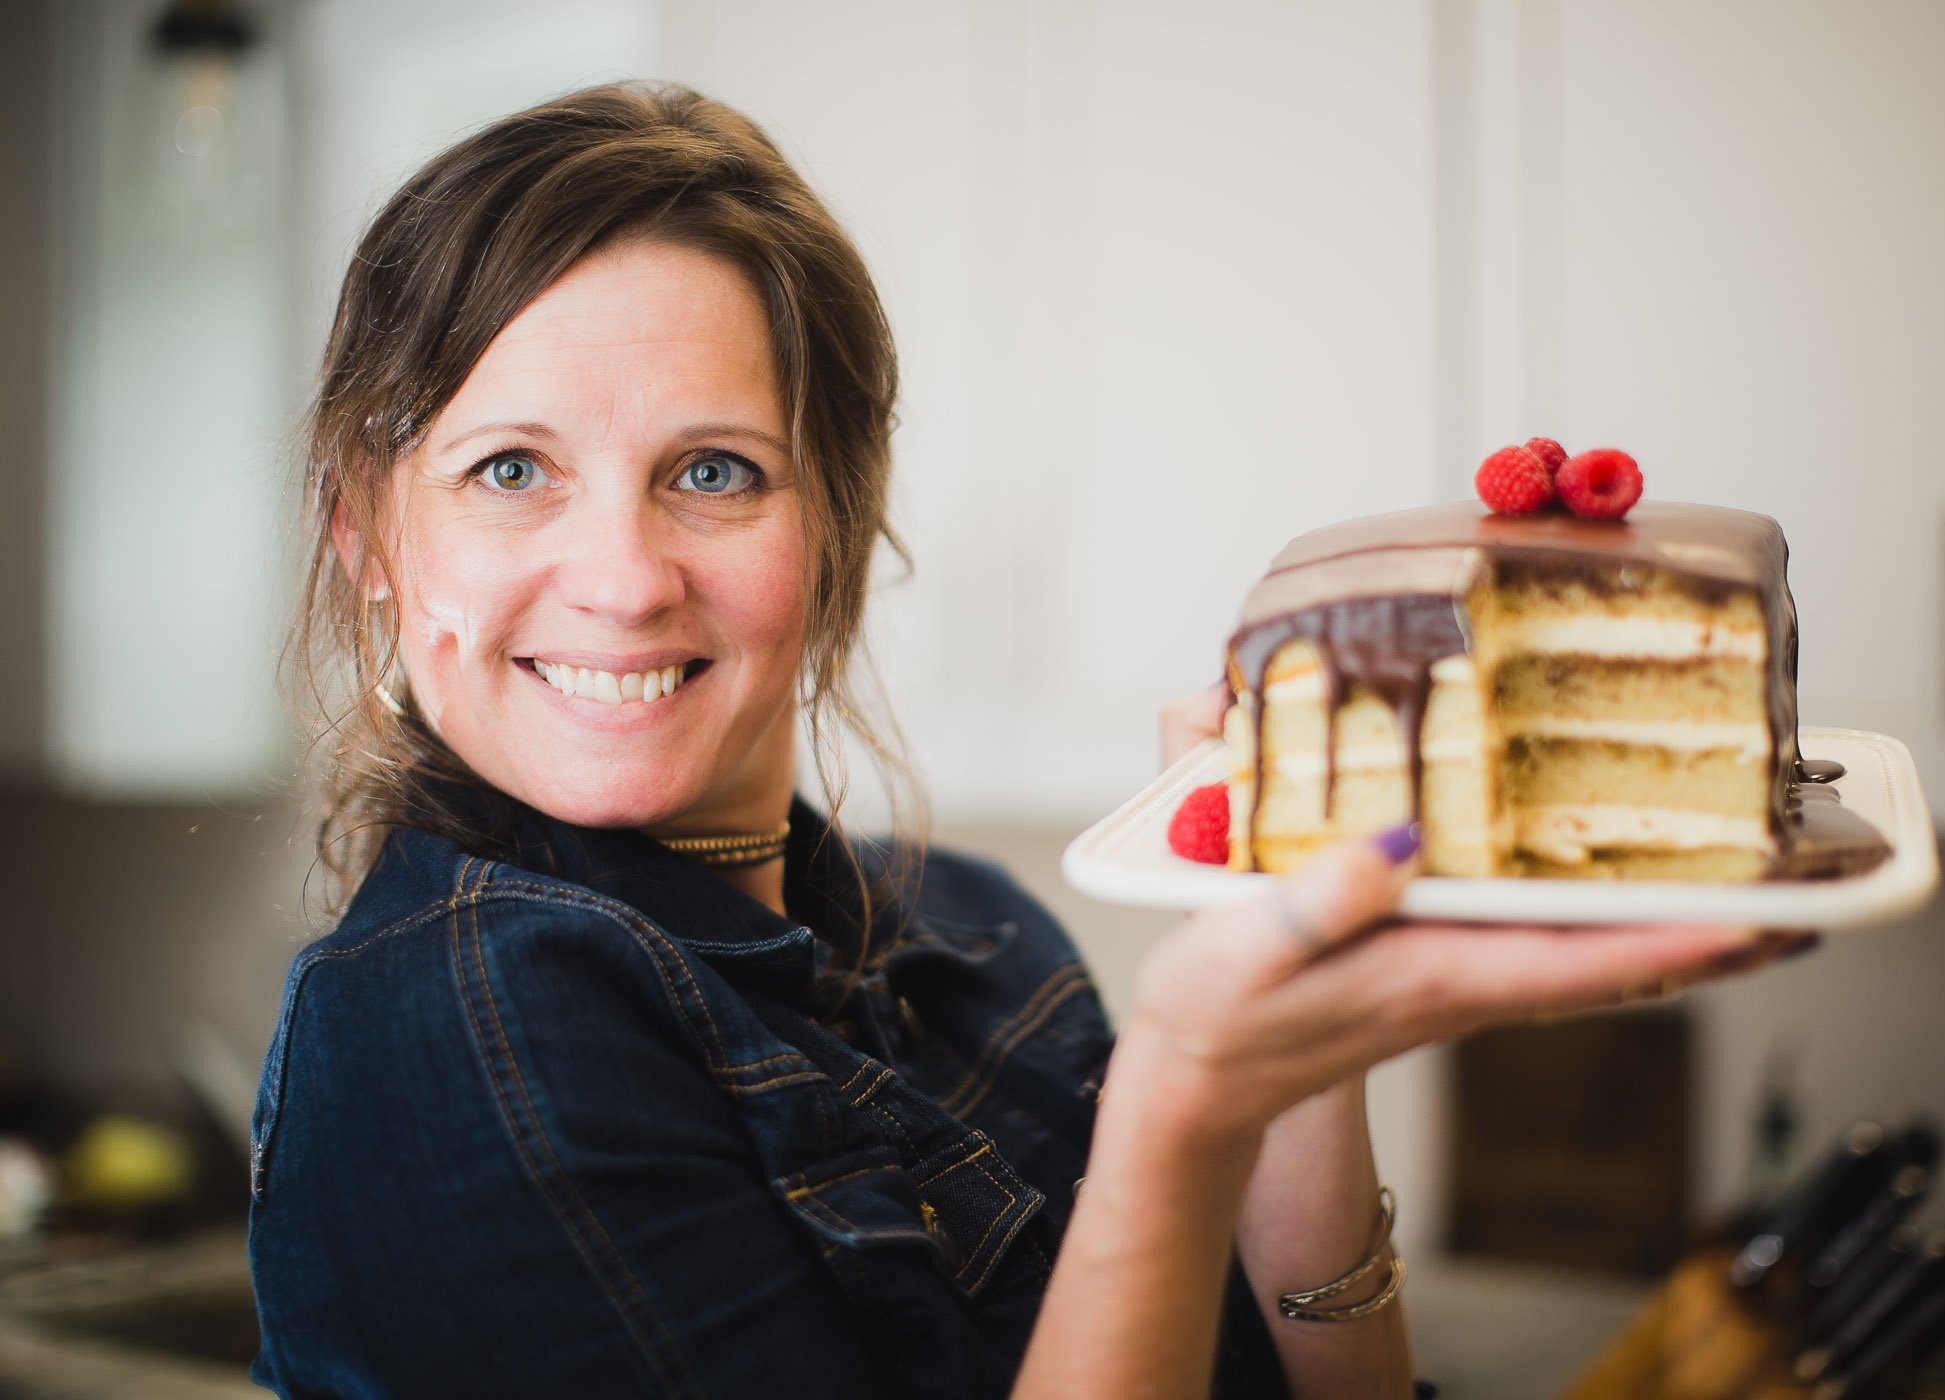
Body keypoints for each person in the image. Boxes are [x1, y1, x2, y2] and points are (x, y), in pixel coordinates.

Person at [248, 81, 1814, 1398]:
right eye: (509, 470)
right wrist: (1181, 1107)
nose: (624, 578)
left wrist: (1298, 1067)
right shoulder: (449, 1017)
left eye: (714, 471)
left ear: (837, 524)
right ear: (365, 533)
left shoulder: (976, 936)